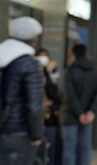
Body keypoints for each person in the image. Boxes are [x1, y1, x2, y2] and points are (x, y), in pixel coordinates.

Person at [0, 16, 45, 165]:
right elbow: (34, 105)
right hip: (18, 132)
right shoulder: (29, 64)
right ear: (32, 39)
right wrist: (36, 135)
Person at [60, 44, 97, 165]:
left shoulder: (70, 71)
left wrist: (80, 114)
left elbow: (70, 95)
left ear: (73, 55)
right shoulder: (95, 71)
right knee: (86, 147)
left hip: (70, 115)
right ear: (85, 53)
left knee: (69, 148)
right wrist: (91, 112)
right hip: (88, 116)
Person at [36, 48, 63, 165]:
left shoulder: (51, 74)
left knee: (50, 146)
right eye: (41, 56)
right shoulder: (29, 72)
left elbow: (56, 95)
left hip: (48, 118)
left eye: (46, 56)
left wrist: (52, 74)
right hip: (34, 117)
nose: (43, 59)